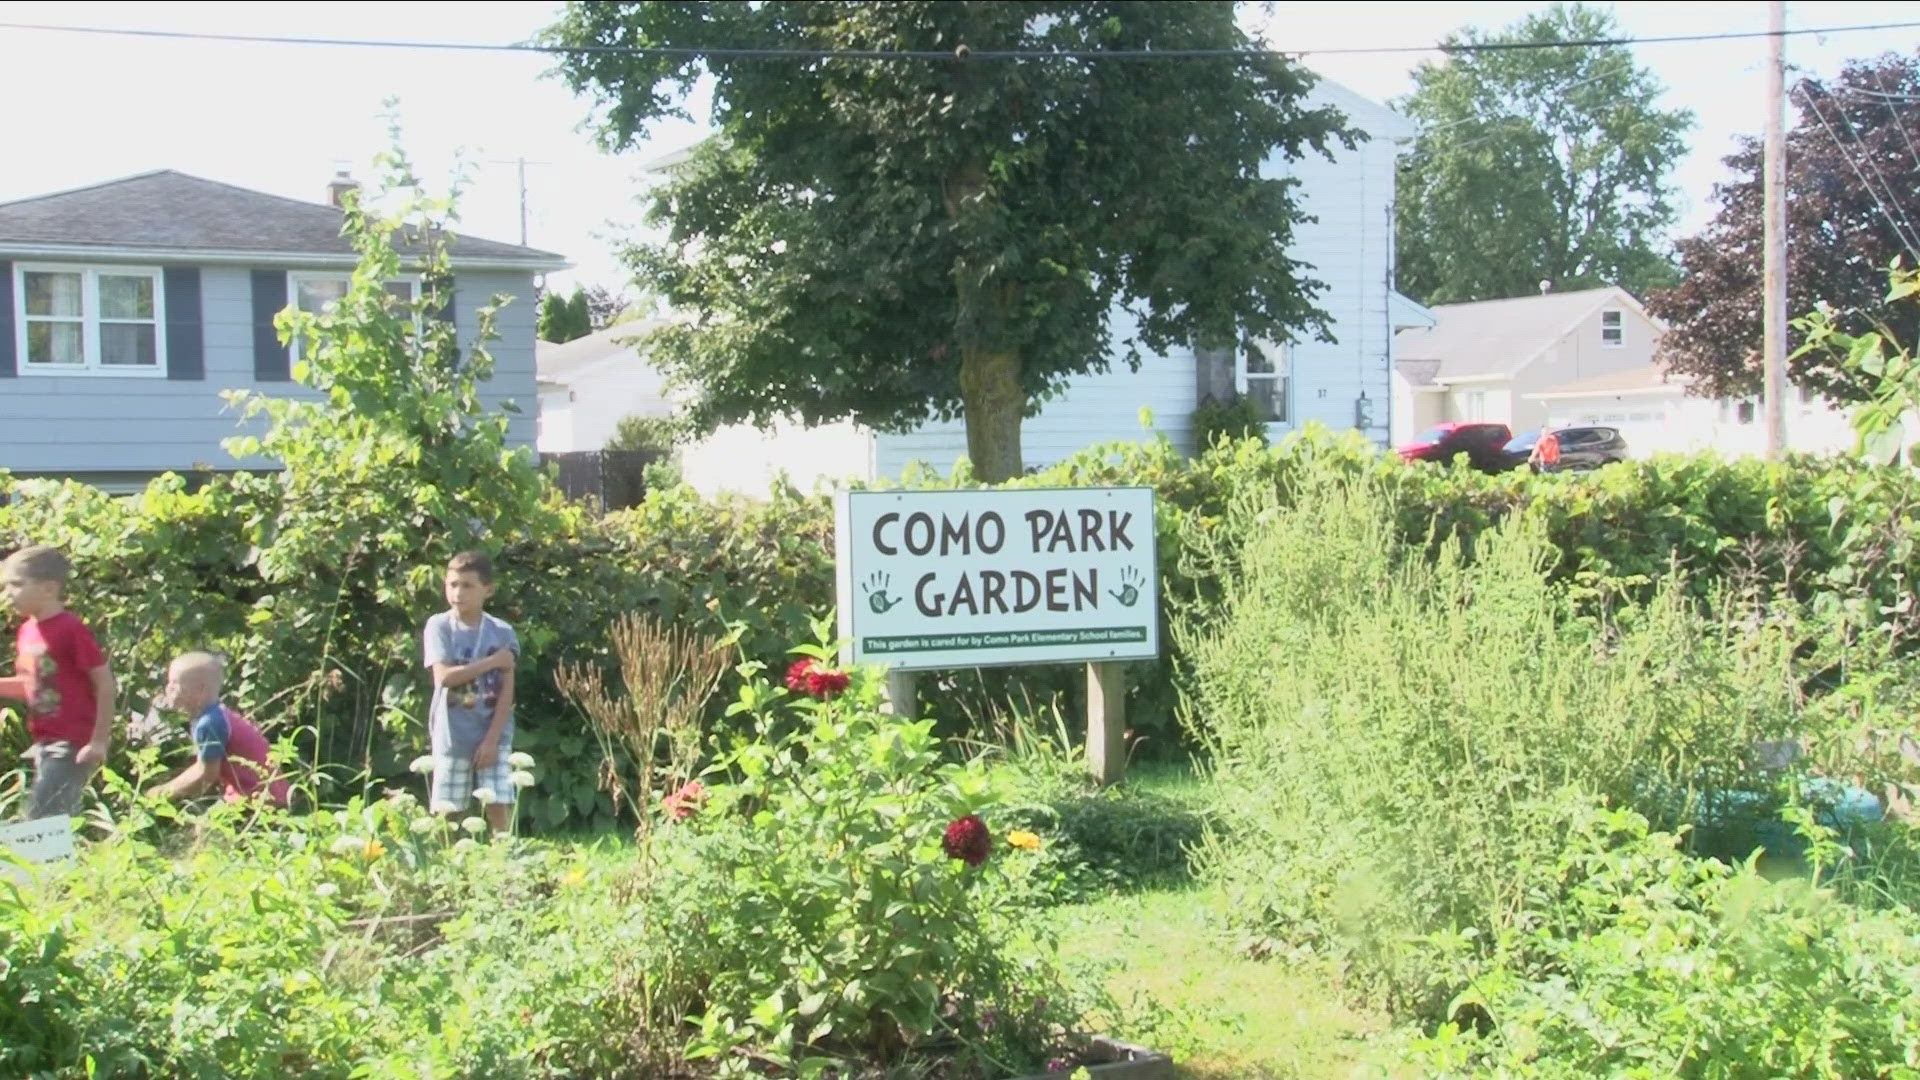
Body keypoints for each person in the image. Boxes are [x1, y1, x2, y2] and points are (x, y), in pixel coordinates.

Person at [0, 546, 116, 820]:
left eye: (17, 584)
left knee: (44, 816)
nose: (9, 593)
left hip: (73, 741)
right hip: (44, 739)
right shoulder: (28, 631)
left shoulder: (69, 628)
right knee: (53, 817)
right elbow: (32, 686)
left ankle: (49, 863)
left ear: (49, 589)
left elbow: (105, 684)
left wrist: (99, 741)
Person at [423, 551, 519, 833]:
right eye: (452, 585)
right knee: (448, 812)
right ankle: (449, 865)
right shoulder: (439, 626)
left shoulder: (502, 631)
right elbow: (444, 678)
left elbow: (506, 691)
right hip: (453, 734)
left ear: (487, 590)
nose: (458, 593)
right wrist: (492, 662)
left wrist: (491, 740)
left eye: (467, 586)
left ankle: (504, 861)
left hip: (493, 732)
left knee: (498, 803)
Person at [144, 652, 291, 810]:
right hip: (261, 790)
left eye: (174, 683)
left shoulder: (210, 723)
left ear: (200, 690)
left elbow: (206, 774)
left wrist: (162, 793)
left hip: (260, 796)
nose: (168, 689)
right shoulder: (214, 715)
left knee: (208, 830)